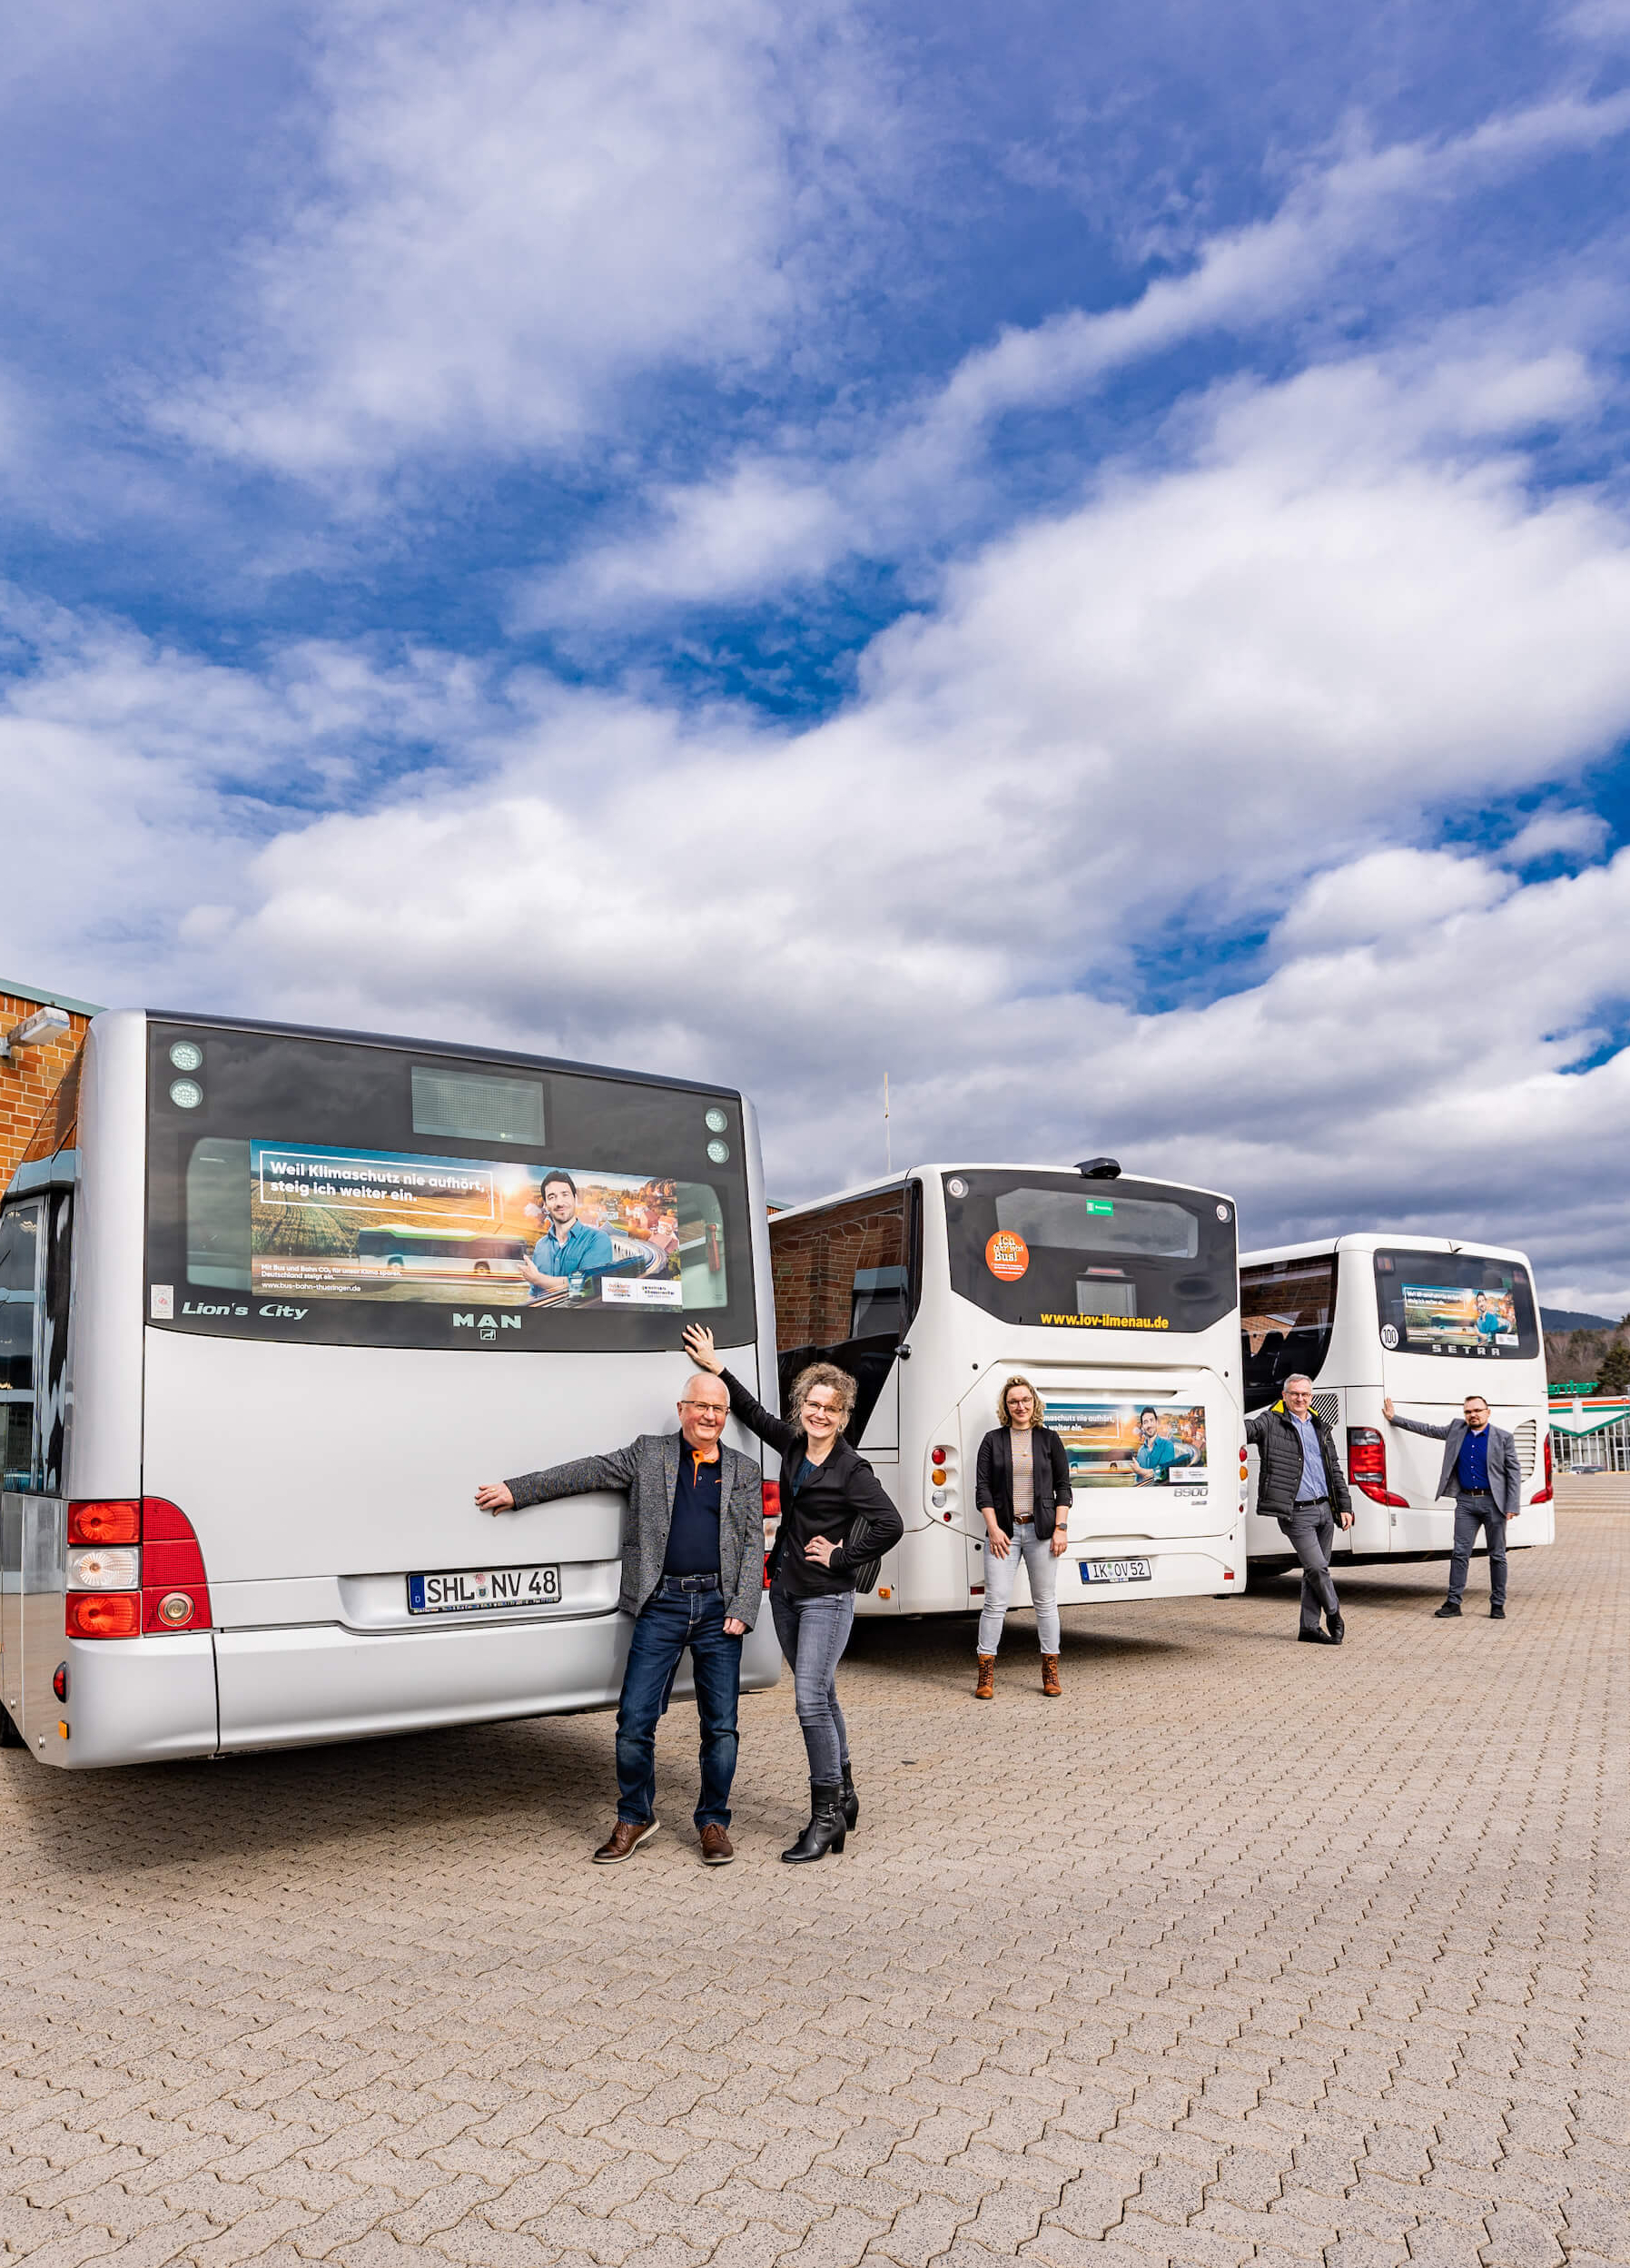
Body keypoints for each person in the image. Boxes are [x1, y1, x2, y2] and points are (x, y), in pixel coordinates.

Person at [474, 1371, 765, 1865]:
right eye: (700, 1407)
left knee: (721, 1727)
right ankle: (635, 1815)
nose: (709, 1416)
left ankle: (713, 1821)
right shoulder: (648, 1455)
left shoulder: (744, 1469)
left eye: (718, 1410)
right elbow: (585, 1471)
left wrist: (743, 1607)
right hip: (661, 1604)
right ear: (682, 1409)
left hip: (718, 1610)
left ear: (725, 1415)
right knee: (634, 1720)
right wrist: (517, 1489)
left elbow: (753, 1541)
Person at [682, 1322, 903, 1863]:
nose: (819, 1414)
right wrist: (717, 1367)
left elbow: (890, 1524)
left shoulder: (853, 1469)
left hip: (827, 1596)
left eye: (830, 1408)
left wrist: (843, 1556)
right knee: (822, 1694)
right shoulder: (795, 1445)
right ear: (802, 1405)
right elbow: (753, 1413)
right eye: (812, 1404)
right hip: (785, 1593)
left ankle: (826, 1817)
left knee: (807, 1701)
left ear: (844, 1415)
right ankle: (845, 1792)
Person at [972, 1375, 1073, 1699]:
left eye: (1025, 1400)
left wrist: (1061, 1528)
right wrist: (993, 1528)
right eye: (1014, 1401)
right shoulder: (992, 1440)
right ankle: (986, 1675)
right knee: (994, 1603)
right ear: (1006, 1405)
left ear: (1034, 1403)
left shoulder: (1049, 1439)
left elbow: (1064, 1487)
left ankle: (1050, 1671)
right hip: (1004, 1532)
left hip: (1042, 1531)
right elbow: (983, 1489)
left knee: (1045, 1603)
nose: (1020, 1406)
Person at [1382, 1392, 1521, 1619]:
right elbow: (1427, 1429)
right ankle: (1453, 1603)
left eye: (1477, 1410)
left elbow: (1513, 1473)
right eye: (1468, 1411)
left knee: (1497, 1555)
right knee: (1459, 1553)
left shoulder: (1503, 1437)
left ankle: (1497, 1604)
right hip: (1465, 1502)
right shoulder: (1456, 1430)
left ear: (1488, 1412)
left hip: (1494, 1503)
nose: (1473, 1415)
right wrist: (1395, 1419)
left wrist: (1512, 1505)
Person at [1247, 1374, 1353, 1644]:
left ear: (1311, 1397)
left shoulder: (1321, 1427)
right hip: (1297, 1512)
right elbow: (1245, 1430)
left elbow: (1335, 1471)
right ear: (1284, 1395)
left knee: (1312, 1571)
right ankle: (1334, 1612)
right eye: (1294, 1394)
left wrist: (1345, 1506)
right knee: (1318, 1568)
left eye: (1305, 1394)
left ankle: (1308, 1628)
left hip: (1325, 1510)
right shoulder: (1271, 1421)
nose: (1300, 1399)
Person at [520, 1171, 617, 1302]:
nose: (560, 1203)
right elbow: (534, 1294)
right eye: (552, 1197)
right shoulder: (540, 1246)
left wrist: (538, 1278)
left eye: (565, 1195)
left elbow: (588, 1286)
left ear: (575, 1199)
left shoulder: (598, 1239)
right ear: (546, 1205)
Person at [1132, 1406, 1196, 1485]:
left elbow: (1164, 1476)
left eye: (1151, 1420)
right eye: (1145, 1422)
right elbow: (1138, 1480)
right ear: (1142, 1427)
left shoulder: (1167, 1445)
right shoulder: (1141, 1451)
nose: (1149, 1425)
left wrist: (1142, 1471)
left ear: (1157, 1423)